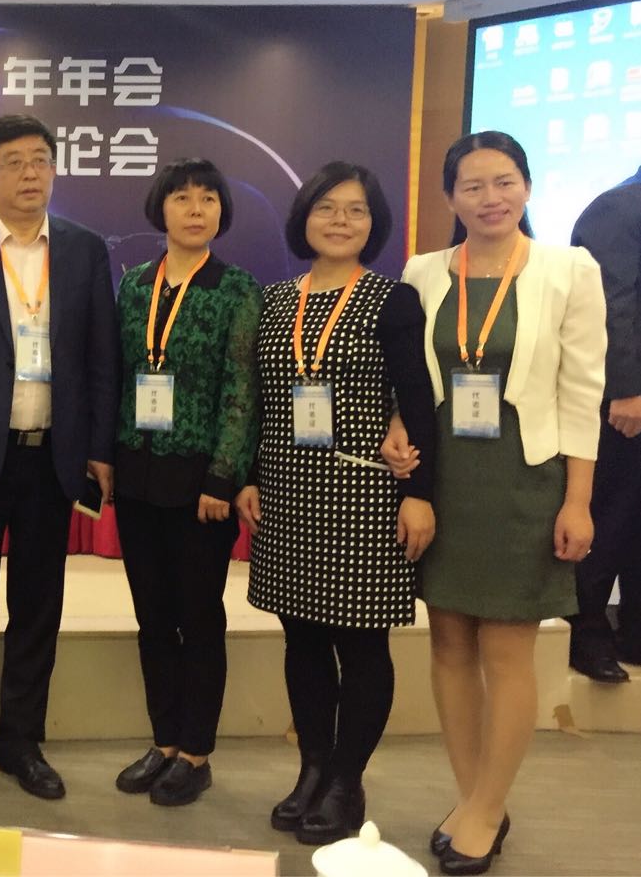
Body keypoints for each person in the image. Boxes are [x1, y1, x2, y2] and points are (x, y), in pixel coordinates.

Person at [392, 131, 602, 875]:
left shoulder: (568, 269)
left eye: (505, 181)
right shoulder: (422, 271)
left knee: (507, 650)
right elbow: (408, 377)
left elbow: (581, 393)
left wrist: (578, 501)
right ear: (450, 197)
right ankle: (473, 796)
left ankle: (487, 806)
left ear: (527, 186)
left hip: (524, 480)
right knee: (448, 643)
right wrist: (397, 430)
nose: (491, 198)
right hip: (444, 480)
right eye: (473, 186)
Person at [239, 162, 437, 846]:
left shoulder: (392, 299)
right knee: (300, 640)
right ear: (304, 217)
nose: (340, 221)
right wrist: (248, 475)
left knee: (361, 644)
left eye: (356, 209)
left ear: (373, 223)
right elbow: (261, 400)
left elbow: (417, 400)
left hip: (364, 493)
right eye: (326, 207)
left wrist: (418, 493)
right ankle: (312, 769)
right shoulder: (274, 300)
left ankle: (346, 781)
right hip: (287, 490)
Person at [0, 113, 120, 803]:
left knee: (37, 608)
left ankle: (21, 743)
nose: (31, 173)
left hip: (52, 458)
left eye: (41, 159)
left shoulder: (84, 249)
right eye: (14, 162)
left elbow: (101, 359)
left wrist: (98, 448)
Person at [111, 159, 260, 807]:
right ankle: (164, 740)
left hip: (202, 484)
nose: (195, 209)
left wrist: (224, 476)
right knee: (151, 618)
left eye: (207, 198)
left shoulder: (237, 288)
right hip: (137, 476)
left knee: (198, 618)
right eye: (181, 198)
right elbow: (119, 374)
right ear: (161, 208)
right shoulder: (135, 285)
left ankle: (196, 753)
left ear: (221, 211)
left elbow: (242, 388)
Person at [567, 162, 641, 681]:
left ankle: (634, 634)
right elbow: (611, 304)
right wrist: (627, 388)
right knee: (609, 519)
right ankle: (585, 635)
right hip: (625, 401)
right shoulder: (618, 207)